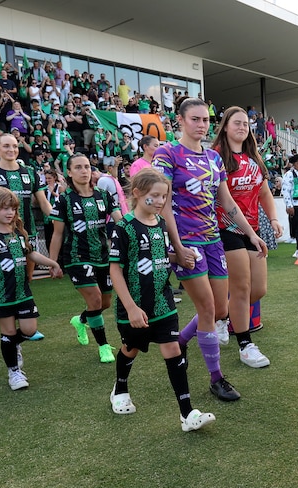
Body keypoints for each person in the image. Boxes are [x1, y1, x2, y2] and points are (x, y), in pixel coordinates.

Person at [154, 98, 266, 401]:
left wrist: (251, 234)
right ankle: (216, 378)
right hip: (186, 242)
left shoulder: (214, 159)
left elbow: (227, 203)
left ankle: (182, 341)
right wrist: (175, 246)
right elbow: (161, 202)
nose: (201, 125)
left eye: (205, 120)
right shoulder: (167, 154)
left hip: (213, 239)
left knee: (219, 310)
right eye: (195, 119)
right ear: (180, 120)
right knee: (206, 308)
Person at [108, 168, 216, 430]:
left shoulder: (162, 224)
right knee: (130, 349)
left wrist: (179, 257)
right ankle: (119, 389)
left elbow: (158, 256)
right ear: (136, 193)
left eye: (164, 196)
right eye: (154, 195)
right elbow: (115, 269)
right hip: (134, 306)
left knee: (172, 349)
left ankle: (187, 414)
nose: (159, 201)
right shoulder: (123, 228)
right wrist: (131, 307)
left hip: (162, 301)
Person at [0, 187, 62, 390]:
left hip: (23, 292)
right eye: (5, 208)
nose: (10, 213)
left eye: (13, 208)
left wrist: (52, 263)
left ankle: (13, 344)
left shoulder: (18, 233)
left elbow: (31, 255)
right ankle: (14, 372)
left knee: (30, 329)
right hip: (1, 294)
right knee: (8, 332)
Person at [211, 106, 282, 368]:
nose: (242, 127)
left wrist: (273, 218)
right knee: (240, 288)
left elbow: (264, 194)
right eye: (236, 123)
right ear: (225, 127)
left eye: (245, 124)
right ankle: (245, 344)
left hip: (253, 229)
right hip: (225, 227)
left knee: (258, 289)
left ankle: (221, 316)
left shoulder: (254, 159)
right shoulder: (216, 156)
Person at [49, 153, 122, 363]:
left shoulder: (103, 195)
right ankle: (104, 346)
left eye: (87, 167)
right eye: (78, 167)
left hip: (103, 256)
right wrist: (54, 263)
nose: (84, 171)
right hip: (77, 256)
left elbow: (119, 220)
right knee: (96, 299)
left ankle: (80, 320)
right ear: (69, 173)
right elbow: (57, 233)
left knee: (104, 303)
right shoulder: (64, 199)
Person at [0, 134, 52, 279]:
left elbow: (43, 202)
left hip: (27, 232)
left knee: (26, 280)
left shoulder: (30, 172)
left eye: (15, 146)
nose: (12, 149)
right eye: (6, 146)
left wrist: (56, 219)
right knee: (4, 278)